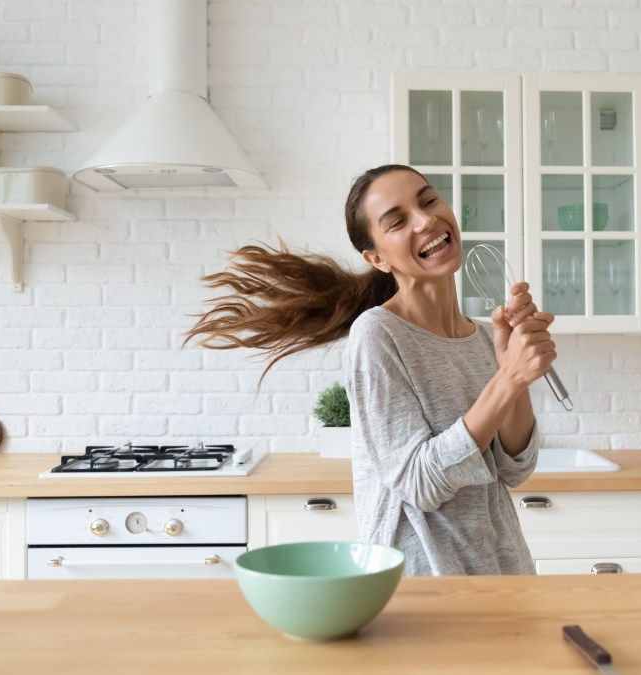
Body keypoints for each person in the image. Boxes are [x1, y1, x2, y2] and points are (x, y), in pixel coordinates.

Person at [187, 164, 558, 575]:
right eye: (398, 221)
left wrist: (513, 371)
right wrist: (508, 379)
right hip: (426, 583)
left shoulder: (486, 336)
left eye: (428, 199)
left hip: (504, 573)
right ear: (377, 257)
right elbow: (419, 483)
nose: (426, 219)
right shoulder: (378, 334)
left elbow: (514, 469)